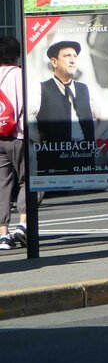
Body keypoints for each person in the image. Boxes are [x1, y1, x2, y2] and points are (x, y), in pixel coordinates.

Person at [0, 36, 29, 250]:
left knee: (2, 184)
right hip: (19, 135)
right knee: (29, 179)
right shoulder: (21, 75)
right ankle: (24, 223)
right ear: (17, 54)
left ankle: (3, 234)